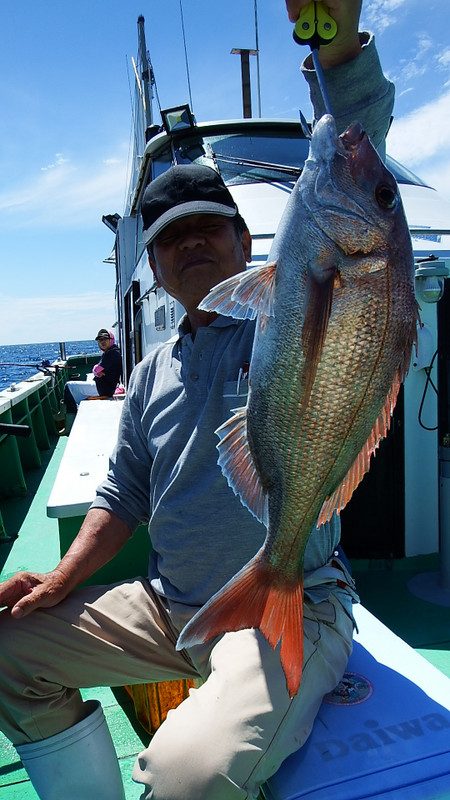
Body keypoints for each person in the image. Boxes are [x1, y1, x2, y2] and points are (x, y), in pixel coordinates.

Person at [0, 2, 394, 798]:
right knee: (8, 655)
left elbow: (359, 136)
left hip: (295, 600)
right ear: (152, 263)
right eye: (170, 236)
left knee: (187, 774)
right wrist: (63, 579)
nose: (191, 244)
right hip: (170, 606)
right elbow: (123, 496)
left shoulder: (283, 316)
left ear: (251, 243)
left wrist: (338, 41)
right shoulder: (147, 374)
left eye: (209, 226)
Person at [63, 328, 122, 412]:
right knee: (74, 389)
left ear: (111, 340)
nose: (102, 341)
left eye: (105, 339)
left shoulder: (112, 353)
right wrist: (97, 371)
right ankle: (79, 408)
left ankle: (72, 414)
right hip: (105, 387)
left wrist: (96, 370)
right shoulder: (112, 352)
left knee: (69, 386)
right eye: (100, 340)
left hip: (103, 389)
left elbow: (97, 370)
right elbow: (99, 370)